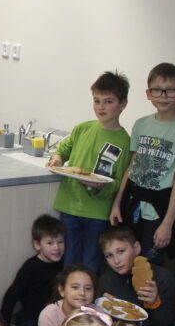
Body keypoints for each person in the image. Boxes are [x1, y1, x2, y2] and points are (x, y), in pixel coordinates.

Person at [46, 71, 133, 273]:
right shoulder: (82, 128)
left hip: (98, 213)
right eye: (96, 101)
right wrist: (57, 158)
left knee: (90, 264)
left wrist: (100, 186)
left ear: (123, 104)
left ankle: (88, 295)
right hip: (69, 206)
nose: (101, 107)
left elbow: (118, 182)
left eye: (108, 101)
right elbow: (63, 148)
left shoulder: (125, 142)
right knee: (68, 262)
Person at [110, 62, 175, 262]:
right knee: (123, 258)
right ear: (148, 94)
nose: (163, 96)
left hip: (158, 211)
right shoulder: (141, 124)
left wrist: (168, 223)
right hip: (132, 203)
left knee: (147, 264)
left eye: (170, 90)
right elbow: (132, 166)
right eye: (157, 90)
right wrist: (117, 203)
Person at [98, 225, 175, 326]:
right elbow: (100, 324)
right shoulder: (106, 281)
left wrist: (155, 303)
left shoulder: (163, 278)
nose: (116, 260)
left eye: (121, 251)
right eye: (109, 255)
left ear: (136, 248)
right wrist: (103, 309)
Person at [0, 214, 65, 326]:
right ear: (37, 245)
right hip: (31, 318)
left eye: (60, 242)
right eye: (50, 243)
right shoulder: (31, 266)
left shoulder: (62, 264)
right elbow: (12, 294)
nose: (56, 247)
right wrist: (4, 323)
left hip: (52, 317)